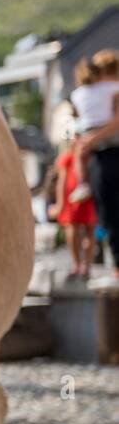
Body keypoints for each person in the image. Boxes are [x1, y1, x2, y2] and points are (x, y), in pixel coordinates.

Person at [75, 49, 119, 285]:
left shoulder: (110, 92)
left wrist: (90, 140)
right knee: (108, 214)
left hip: (108, 154)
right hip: (101, 155)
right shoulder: (105, 93)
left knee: (110, 212)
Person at [50, 125, 97, 281]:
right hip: (73, 198)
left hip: (90, 196)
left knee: (90, 231)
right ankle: (77, 264)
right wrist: (60, 204)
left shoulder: (92, 156)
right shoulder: (67, 158)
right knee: (73, 229)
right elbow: (61, 183)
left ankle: (86, 266)